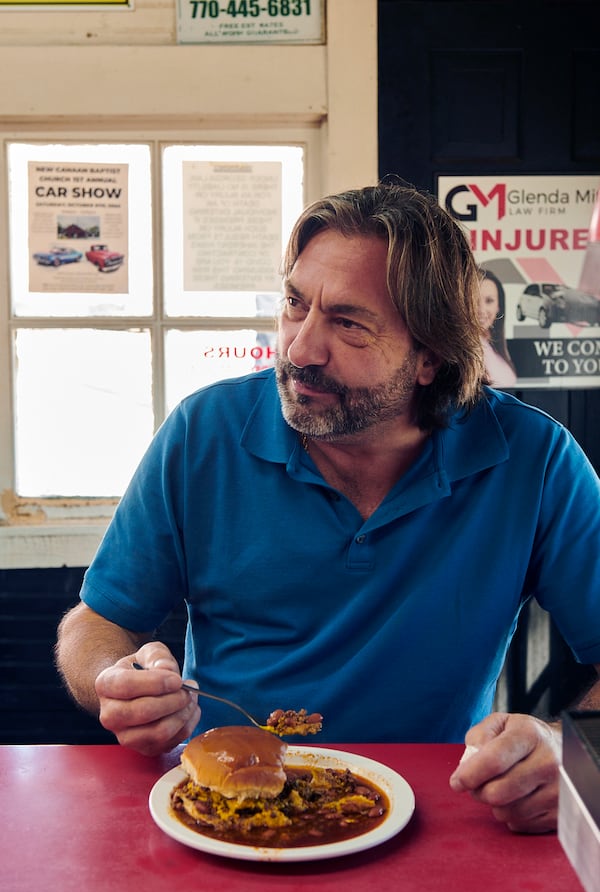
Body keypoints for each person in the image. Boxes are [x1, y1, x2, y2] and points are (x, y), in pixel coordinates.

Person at [56, 183, 600, 835]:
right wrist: (116, 680)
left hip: (442, 815)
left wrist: (567, 753)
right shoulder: (204, 432)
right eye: (293, 304)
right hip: (221, 810)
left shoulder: (535, 461)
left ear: (430, 356)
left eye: (347, 323)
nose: (299, 349)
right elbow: (94, 625)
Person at [478, 268, 517, 387]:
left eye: (489, 301)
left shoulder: (494, 346)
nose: (481, 310)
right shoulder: (460, 353)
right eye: (473, 300)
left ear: (498, 306)